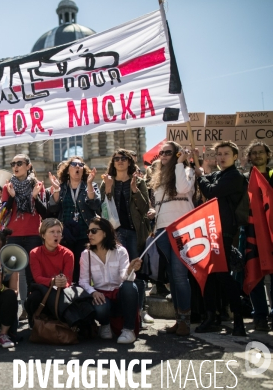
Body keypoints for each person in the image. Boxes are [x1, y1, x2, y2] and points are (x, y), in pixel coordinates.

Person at [192, 141, 246, 336]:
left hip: (223, 231)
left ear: (235, 157)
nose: (222, 157)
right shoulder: (217, 175)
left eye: (226, 153)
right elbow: (205, 180)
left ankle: (238, 319)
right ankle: (211, 316)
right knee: (210, 276)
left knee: (223, 275)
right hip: (210, 231)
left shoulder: (235, 176)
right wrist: (197, 165)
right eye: (219, 154)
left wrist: (200, 177)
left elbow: (211, 191)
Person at [100, 149, 153, 324]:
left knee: (134, 272)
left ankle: (138, 311)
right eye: (117, 159)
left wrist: (135, 191)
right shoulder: (107, 181)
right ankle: (121, 311)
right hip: (114, 232)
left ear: (130, 162)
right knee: (116, 271)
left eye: (124, 158)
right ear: (113, 162)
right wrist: (108, 190)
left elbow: (145, 209)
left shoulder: (139, 181)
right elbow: (103, 209)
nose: (120, 161)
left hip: (132, 232)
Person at [150, 141, 194, 336]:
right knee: (172, 277)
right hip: (161, 230)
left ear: (177, 154)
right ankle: (178, 319)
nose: (164, 156)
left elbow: (183, 189)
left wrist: (180, 164)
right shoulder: (158, 177)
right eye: (162, 153)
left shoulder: (187, 171)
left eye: (168, 152)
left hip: (182, 229)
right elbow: (159, 204)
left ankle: (185, 320)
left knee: (179, 275)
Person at [79, 217, 142, 344]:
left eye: (94, 231)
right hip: (101, 295)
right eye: (88, 231)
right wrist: (93, 292)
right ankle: (105, 324)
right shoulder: (86, 254)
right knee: (100, 306)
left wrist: (130, 269)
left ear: (106, 232)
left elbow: (125, 278)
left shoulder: (120, 251)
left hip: (119, 293)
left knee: (130, 287)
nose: (90, 234)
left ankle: (128, 330)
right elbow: (83, 281)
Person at [1, 154, 47, 318]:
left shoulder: (38, 185)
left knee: (31, 273)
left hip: (33, 234)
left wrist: (34, 197)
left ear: (28, 166)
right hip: (14, 235)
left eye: (19, 163)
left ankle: (30, 306)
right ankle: (20, 308)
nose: (15, 166)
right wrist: (12, 198)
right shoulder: (8, 187)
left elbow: (44, 212)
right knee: (16, 273)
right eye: (13, 163)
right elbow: (4, 214)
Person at [47, 156, 100, 284]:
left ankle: (83, 292)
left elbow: (96, 205)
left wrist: (89, 185)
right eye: (74, 164)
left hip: (85, 233)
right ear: (67, 170)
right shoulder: (62, 187)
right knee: (67, 266)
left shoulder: (91, 185)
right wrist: (56, 191)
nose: (77, 167)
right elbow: (52, 208)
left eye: (81, 165)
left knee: (83, 267)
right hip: (65, 234)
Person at [244, 140, 273, 331]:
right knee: (255, 273)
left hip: (271, 232)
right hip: (253, 232)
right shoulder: (244, 179)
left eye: (261, 152)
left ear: (268, 155)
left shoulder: (272, 175)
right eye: (253, 153)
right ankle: (260, 315)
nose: (257, 156)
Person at [24, 218, 74, 322]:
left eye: (59, 232)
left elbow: (68, 280)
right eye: (52, 232)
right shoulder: (35, 253)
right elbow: (37, 278)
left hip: (61, 290)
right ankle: (36, 322)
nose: (56, 235)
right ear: (43, 235)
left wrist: (63, 282)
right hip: (43, 290)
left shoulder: (68, 254)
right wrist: (53, 281)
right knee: (34, 298)